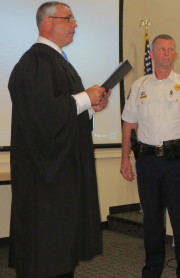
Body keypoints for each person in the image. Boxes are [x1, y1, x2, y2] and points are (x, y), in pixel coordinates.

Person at [8, 2, 111, 277]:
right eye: (69, 18)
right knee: (46, 255)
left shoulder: (56, 60)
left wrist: (89, 106)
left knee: (61, 253)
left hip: (59, 177)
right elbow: (42, 114)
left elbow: (61, 109)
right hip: (45, 181)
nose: (75, 24)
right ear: (48, 22)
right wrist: (84, 98)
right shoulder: (36, 61)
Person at [120, 34, 180, 278]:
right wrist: (125, 158)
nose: (167, 53)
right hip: (147, 162)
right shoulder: (139, 86)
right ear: (153, 54)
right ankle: (152, 271)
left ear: (175, 54)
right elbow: (129, 124)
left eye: (171, 49)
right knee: (152, 223)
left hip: (178, 161)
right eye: (162, 49)